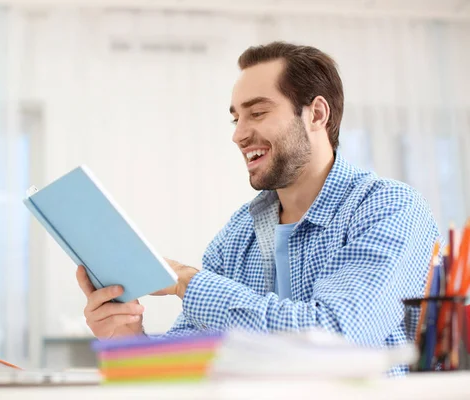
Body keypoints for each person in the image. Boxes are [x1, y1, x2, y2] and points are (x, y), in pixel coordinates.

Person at [76, 41, 439, 375]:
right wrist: (129, 337)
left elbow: (338, 338)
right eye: (236, 119)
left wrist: (187, 281)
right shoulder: (236, 235)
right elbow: (195, 358)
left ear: (316, 114)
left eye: (258, 113)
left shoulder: (389, 209)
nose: (238, 134)